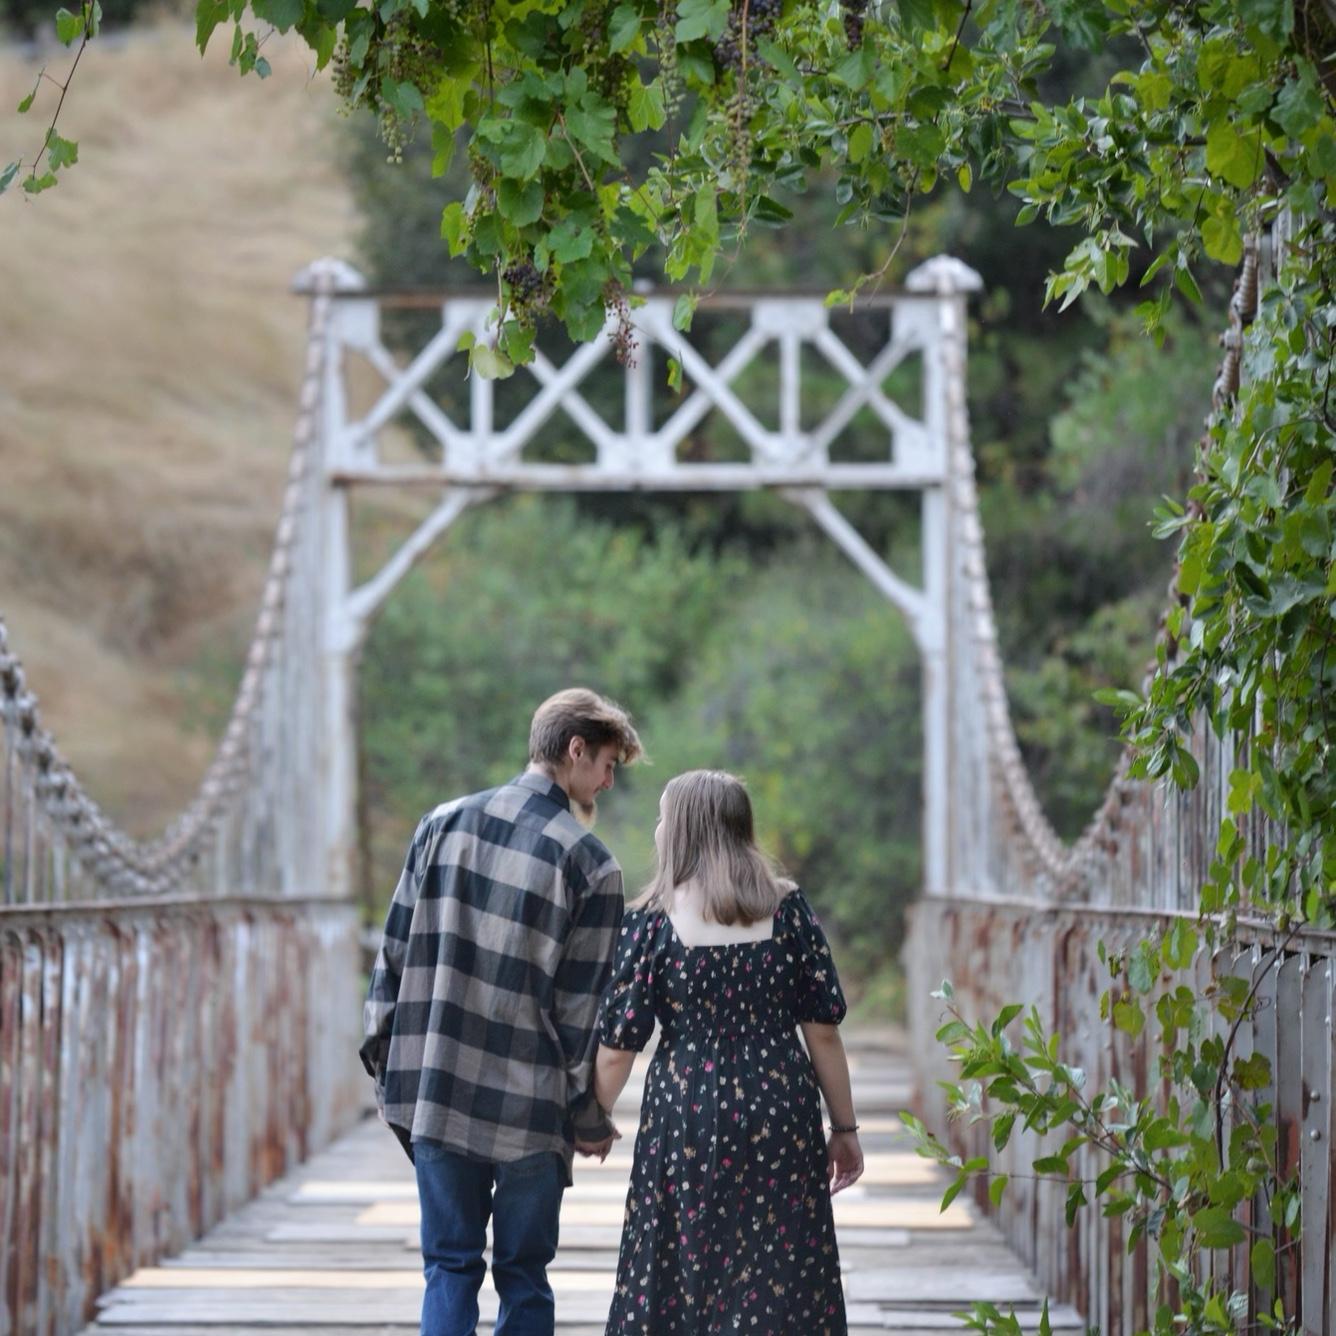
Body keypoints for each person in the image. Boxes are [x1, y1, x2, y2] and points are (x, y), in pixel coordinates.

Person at [359, 688, 643, 1336]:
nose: (607, 782)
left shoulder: (442, 823)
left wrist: (388, 1071)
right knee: (523, 1276)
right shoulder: (592, 866)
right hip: (529, 1114)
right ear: (575, 749)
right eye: (607, 766)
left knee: (449, 1267)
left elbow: (391, 959)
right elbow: (581, 1018)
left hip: (437, 1091)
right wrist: (589, 1118)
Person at [592, 769, 863, 1334]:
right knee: (780, 1266)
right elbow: (822, 1031)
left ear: (683, 830)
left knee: (683, 1261)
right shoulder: (787, 908)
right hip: (780, 1106)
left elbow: (619, 1047)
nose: (658, 827)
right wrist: (844, 1127)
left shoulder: (652, 919)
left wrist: (590, 1118)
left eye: (664, 817)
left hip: (685, 1111)